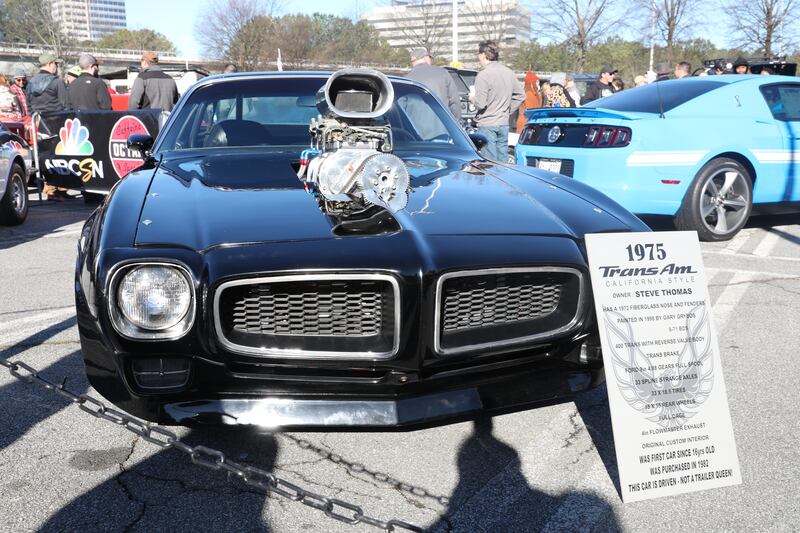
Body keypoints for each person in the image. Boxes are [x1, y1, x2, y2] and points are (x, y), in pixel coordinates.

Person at [469, 40, 523, 161]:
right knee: (503, 163)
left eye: (478, 54)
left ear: (483, 55)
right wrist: (507, 111)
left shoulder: (483, 75)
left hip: (487, 124)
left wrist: (472, 97)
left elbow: (480, 104)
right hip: (503, 123)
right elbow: (520, 95)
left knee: (489, 164)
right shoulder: (509, 73)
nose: (478, 57)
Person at [406, 47, 461, 120]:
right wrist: (455, 121)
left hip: (416, 124)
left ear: (413, 62)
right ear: (426, 58)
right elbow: (454, 101)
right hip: (442, 122)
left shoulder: (407, 79)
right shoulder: (442, 73)